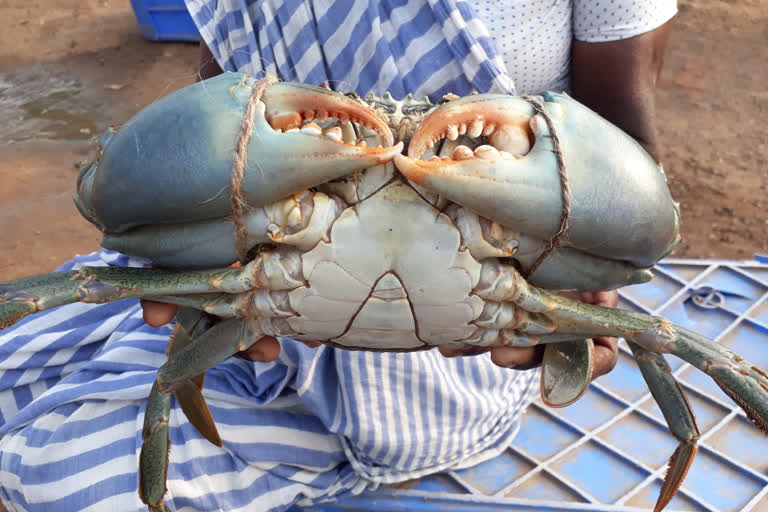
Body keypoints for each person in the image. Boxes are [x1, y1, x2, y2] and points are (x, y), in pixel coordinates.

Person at [0, 1, 676, 510]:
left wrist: (582, 285)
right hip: (255, 309)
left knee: (64, 476)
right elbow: (209, 97)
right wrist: (203, 224)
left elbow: (635, 187)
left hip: (467, 356)